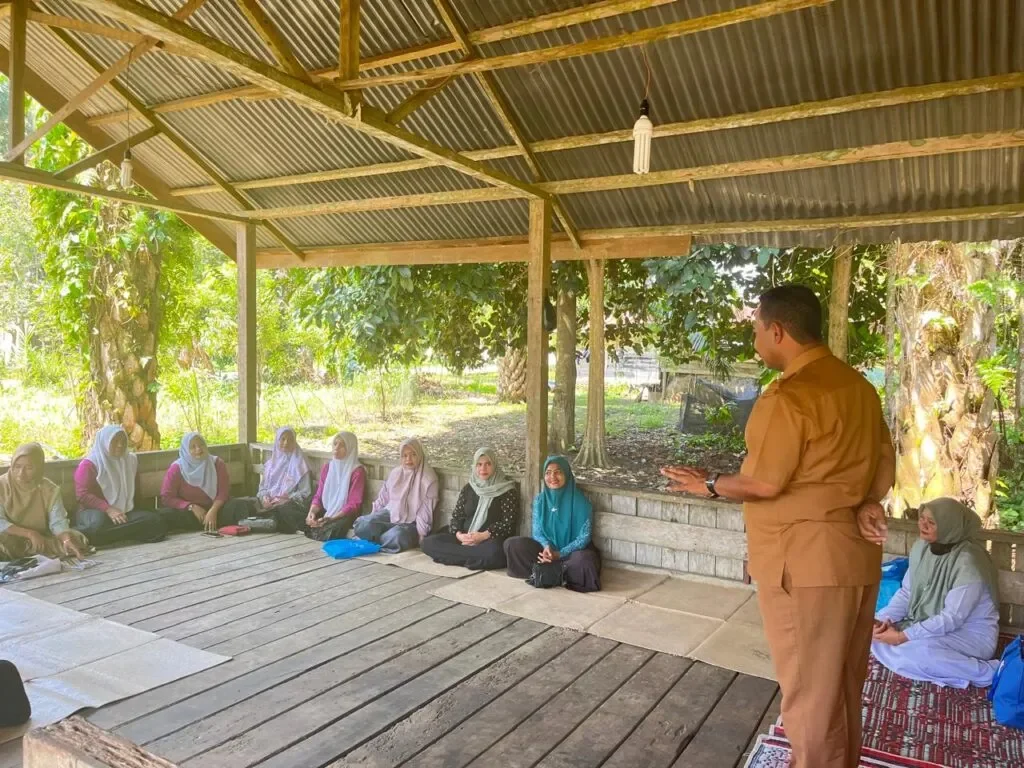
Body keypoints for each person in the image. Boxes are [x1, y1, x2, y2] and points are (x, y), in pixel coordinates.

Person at [660, 284, 895, 768]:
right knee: (841, 684)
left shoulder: (789, 396)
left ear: (778, 330)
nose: (754, 342)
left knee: (810, 695)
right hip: (854, 557)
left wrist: (708, 484)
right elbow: (883, 471)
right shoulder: (860, 388)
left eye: (755, 331)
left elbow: (765, 483)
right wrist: (867, 501)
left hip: (803, 564)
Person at [872, 498, 1000, 688]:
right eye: (922, 518)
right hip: (927, 623)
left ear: (950, 527)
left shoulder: (969, 562)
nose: (923, 525)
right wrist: (883, 621)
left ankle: (989, 673)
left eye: (931, 522)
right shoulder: (921, 548)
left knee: (921, 653)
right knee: (872, 638)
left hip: (971, 636)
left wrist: (902, 637)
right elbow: (907, 593)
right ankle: (943, 670)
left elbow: (952, 618)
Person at [504, 456, 601, 592]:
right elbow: (537, 532)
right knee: (512, 544)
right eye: (548, 472)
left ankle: (546, 573)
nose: (552, 477)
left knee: (585, 560)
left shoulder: (581, 502)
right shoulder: (540, 500)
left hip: (572, 554)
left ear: (566, 474)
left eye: (558, 472)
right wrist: (547, 547)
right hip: (547, 552)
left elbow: (584, 538)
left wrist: (560, 554)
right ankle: (559, 574)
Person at [421, 447, 519, 571]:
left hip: (489, 540)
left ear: (495, 465)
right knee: (428, 543)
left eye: (488, 464)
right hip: (464, 538)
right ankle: (470, 559)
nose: (483, 469)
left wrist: (483, 536)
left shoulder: (507, 491)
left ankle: (453, 557)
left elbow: (508, 524)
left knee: (495, 554)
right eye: (479, 464)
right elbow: (457, 516)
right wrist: (460, 535)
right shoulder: (469, 488)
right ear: (474, 466)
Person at [73, 425, 166, 547]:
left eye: (123, 441)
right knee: (97, 525)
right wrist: (108, 509)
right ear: (105, 442)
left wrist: (143, 510)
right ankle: (121, 533)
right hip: (93, 513)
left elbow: (135, 491)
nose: (120, 445)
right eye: (115, 441)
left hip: (124, 511)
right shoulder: (89, 464)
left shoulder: (130, 460)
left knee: (155, 522)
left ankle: (104, 538)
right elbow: (82, 495)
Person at [0, 442, 88, 560]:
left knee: (75, 539)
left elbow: (57, 522)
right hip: (10, 536)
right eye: (17, 466)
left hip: (41, 536)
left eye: (29, 468)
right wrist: (30, 534)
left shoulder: (50, 489)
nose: (21, 473)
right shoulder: (2, 485)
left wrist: (66, 539)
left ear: (39, 467)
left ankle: (32, 552)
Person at [353, 438, 437, 553]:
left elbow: (426, 509)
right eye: (405, 455)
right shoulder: (396, 473)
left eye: (413, 454)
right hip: (390, 513)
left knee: (397, 536)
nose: (408, 459)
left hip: (412, 522)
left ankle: (374, 539)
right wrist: (372, 518)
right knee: (362, 524)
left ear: (420, 454)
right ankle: (379, 539)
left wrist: (421, 534)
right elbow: (383, 498)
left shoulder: (428, 478)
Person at [223, 427, 312, 526]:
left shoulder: (300, 465)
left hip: (287, 505)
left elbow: (305, 493)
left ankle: (261, 522)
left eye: (290, 440)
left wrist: (286, 499)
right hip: (266, 504)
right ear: (277, 440)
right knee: (236, 504)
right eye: (282, 439)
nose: (286, 443)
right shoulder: (271, 465)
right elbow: (262, 488)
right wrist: (264, 498)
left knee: (284, 512)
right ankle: (263, 522)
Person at [283, 431, 365, 539]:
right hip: (326, 510)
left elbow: (353, 504)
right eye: (335, 444)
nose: (336, 447)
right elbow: (319, 496)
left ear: (350, 448)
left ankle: (316, 528)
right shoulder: (328, 467)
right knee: (286, 509)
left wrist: (330, 519)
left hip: (342, 515)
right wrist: (311, 513)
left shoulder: (357, 471)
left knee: (339, 526)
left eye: (342, 445)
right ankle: (316, 526)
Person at [159, 432, 233, 532]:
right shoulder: (177, 468)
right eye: (193, 447)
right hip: (190, 513)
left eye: (201, 445)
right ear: (186, 450)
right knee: (166, 516)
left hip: (216, 510)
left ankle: (209, 522)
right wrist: (191, 507)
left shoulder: (217, 463)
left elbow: (223, 492)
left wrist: (213, 511)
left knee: (238, 506)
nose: (198, 449)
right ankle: (206, 524)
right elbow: (167, 497)